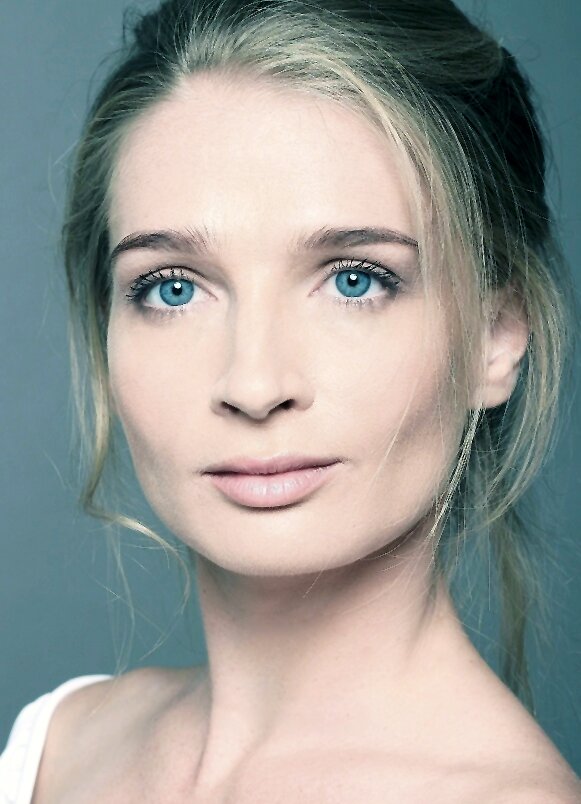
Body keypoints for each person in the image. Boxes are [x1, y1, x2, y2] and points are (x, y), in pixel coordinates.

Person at [1, 0, 580, 800]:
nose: (254, 385)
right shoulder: (57, 744)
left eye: (355, 280)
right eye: (172, 288)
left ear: (496, 336)